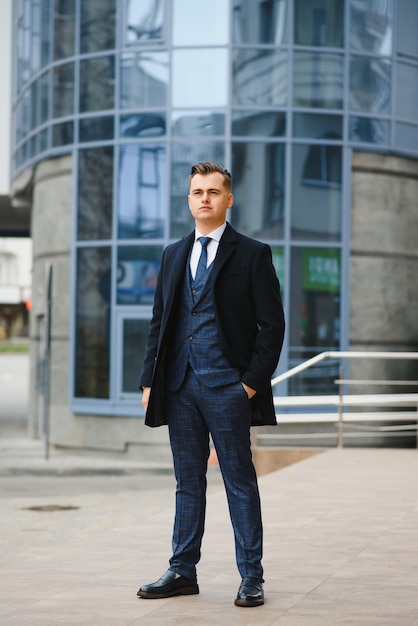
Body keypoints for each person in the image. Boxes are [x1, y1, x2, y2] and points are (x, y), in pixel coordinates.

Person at [137, 162, 285, 607]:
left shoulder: (252, 253)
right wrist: (149, 379)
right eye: (197, 191)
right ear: (189, 200)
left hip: (228, 387)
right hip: (179, 385)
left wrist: (250, 386)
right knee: (187, 481)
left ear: (228, 199)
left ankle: (251, 577)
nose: (205, 198)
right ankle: (182, 569)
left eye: (213, 192)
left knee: (239, 481)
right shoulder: (173, 253)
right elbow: (159, 322)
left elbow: (272, 327)